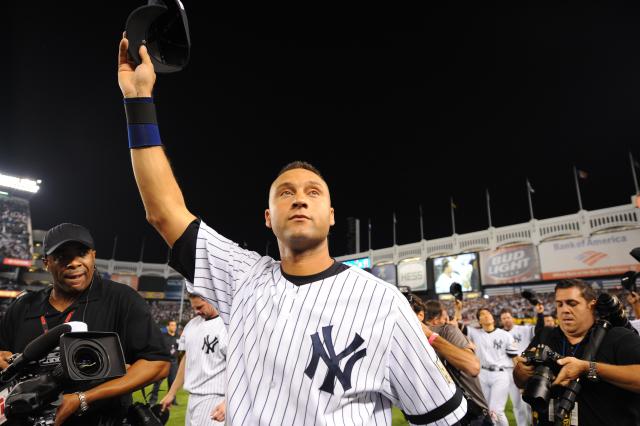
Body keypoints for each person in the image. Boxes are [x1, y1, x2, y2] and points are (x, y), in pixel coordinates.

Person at [117, 37, 467, 425]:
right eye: (286, 193)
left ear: (331, 215)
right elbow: (164, 213)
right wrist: (138, 99)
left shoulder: (383, 303)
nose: (299, 199)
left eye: (312, 192)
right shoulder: (242, 278)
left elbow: (444, 416)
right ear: (268, 217)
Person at [0, 223, 170, 425]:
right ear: (46, 262)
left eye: (81, 253)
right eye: (62, 256)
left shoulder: (121, 299)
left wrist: (82, 399)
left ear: (93, 256)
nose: (74, 263)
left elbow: (157, 364)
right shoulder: (23, 305)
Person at [514, 279, 640, 425]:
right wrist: (521, 371)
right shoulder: (545, 336)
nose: (564, 309)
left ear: (591, 305)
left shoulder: (617, 336)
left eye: (572, 303)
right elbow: (520, 381)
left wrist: (588, 368)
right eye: (559, 304)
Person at [420, 300, 490, 426]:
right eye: (445, 318)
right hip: (470, 411)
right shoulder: (446, 331)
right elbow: (472, 366)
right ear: (436, 320)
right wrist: (466, 347)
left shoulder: (413, 338)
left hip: (432, 413)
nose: (447, 321)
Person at [160, 294, 227, 425]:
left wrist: (227, 402)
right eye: (194, 307)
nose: (197, 311)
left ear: (211, 299)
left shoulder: (227, 325)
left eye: (200, 307)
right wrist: (171, 393)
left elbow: (238, 368)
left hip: (214, 398)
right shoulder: (191, 325)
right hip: (193, 397)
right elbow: (186, 361)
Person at [466, 308, 518, 426]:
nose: (486, 316)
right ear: (479, 321)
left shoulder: (505, 335)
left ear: (493, 318)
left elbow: (514, 358)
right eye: (482, 315)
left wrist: (521, 380)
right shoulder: (475, 333)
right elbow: (456, 325)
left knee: (496, 411)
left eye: (488, 313)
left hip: (500, 374)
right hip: (482, 374)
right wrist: (458, 309)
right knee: (486, 411)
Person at [500, 306, 542, 426]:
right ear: (501, 321)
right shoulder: (500, 334)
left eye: (508, 317)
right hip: (510, 372)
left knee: (532, 402)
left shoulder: (523, 329)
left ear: (512, 318)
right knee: (517, 404)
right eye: (503, 318)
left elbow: (539, 329)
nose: (506, 320)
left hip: (528, 369)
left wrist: (540, 314)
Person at [148, 319, 180, 405]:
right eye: (172, 325)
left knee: (172, 382)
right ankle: (152, 400)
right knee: (157, 382)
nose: (174, 327)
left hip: (174, 363)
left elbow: (180, 350)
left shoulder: (178, 337)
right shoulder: (163, 336)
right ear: (168, 327)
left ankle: (172, 400)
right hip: (164, 361)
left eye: (175, 325)